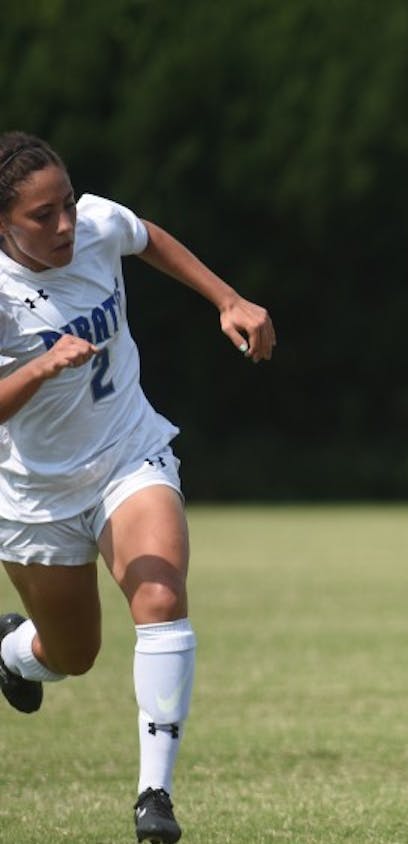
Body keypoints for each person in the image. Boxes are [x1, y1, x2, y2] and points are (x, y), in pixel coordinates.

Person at [0, 131, 275, 843]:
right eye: (41, 216)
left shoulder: (93, 223)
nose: (65, 224)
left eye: (65, 203)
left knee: (160, 594)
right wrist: (38, 368)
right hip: (34, 497)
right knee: (73, 655)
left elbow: (145, 237)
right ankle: (10, 652)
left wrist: (228, 299)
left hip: (128, 452)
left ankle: (155, 795)